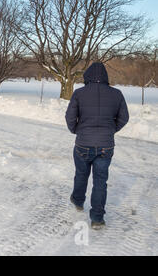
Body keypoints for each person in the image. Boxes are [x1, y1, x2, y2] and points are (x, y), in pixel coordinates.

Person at [65, 62, 129, 230]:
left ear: (87, 76)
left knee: (81, 174)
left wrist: (76, 130)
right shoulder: (117, 94)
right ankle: (97, 219)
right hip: (105, 146)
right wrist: (111, 130)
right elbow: (124, 117)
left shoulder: (79, 93)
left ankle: (78, 201)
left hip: (83, 143)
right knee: (100, 181)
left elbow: (70, 117)